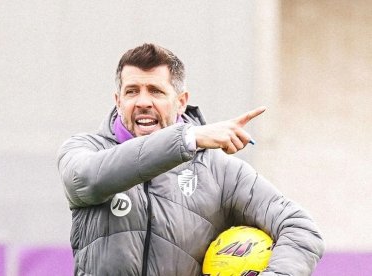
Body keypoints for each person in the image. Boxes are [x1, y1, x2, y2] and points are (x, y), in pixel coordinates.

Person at [57, 43, 324, 276]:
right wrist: (188, 139)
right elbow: (86, 179)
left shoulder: (219, 172)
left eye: (155, 91)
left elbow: (300, 229)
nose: (143, 102)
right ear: (118, 101)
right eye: (132, 91)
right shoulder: (85, 150)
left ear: (182, 101)